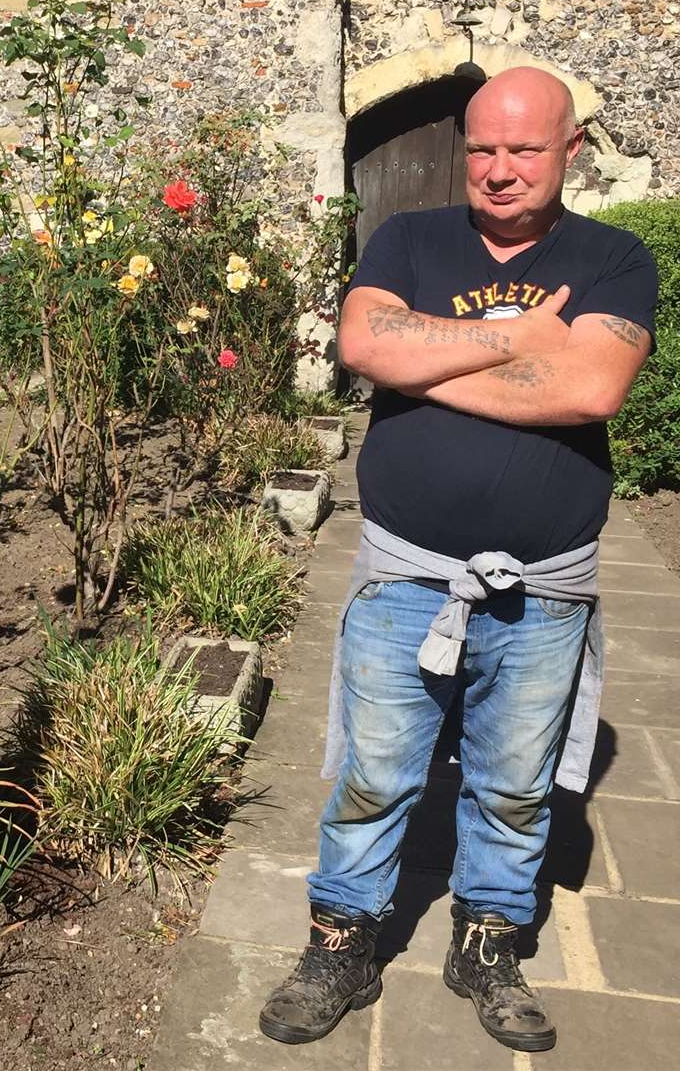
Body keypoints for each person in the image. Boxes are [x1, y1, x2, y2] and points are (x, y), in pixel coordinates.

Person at [257, 67, 656, 1052]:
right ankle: (341, 940)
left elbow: (589, 389)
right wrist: (520, 339)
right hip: (404, 576)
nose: (499, 168)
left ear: (569, 151)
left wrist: (434, 358)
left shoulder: (612, 256)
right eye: (482, 147)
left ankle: (487, 945)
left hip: (543, 590)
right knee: (373, 774)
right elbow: (365, 343)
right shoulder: (406, 239)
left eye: (524, 149)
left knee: (513, 787)